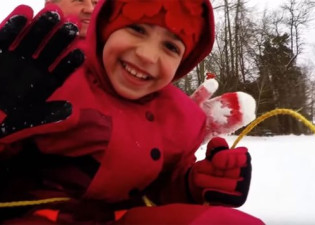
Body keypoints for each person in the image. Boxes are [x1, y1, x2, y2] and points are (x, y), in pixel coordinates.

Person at [0, 0, 263, 224]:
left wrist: (193, 182)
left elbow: (161, 183)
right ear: (106, 30)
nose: (148, 55)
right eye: (137, 29)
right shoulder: (27, 65)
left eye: (171, 47)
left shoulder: (173, 112)